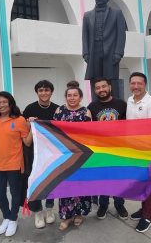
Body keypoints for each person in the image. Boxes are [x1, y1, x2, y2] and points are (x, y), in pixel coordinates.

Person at [87, 78, 129, 220]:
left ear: (109, 87)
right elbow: (86, 128)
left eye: (104, 86)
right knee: (103, 179)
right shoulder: (91, 107)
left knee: (118, 179)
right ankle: (103, 205)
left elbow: (131, 125)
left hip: (119, 149)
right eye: (98, 87)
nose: (101, 89)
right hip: (101, 150)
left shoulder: (122, 104)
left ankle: (119, 204)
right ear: (95, 90)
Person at [0, 91, 32, 237]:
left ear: (10, 103)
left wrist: (33, 127)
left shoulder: (20, 120)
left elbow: (27, 142)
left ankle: (13, 219)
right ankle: (6, 217)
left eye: (4, 102)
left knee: (15, 194)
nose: (1, 105)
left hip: (15, 164)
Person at [126, 72, 151, 233]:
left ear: (144, 84)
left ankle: (148, 214)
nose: (136, 86)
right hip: (134, 151)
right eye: (133, 83)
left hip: (148, 151)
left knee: (149, 183)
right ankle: (143, 208)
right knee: (140, 183)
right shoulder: (129, 100)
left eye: (139, 83)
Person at [53, 83, 92, 230]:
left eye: (75, 95)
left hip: (82, 154)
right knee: (65, 185)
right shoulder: (59, 111)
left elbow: (90, 135)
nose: (72, 98)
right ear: (65, 97)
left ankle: (80, 214)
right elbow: (54, 131)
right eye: (69, 95)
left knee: (81, 184)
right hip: (64, 155)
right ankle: (67, 216)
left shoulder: (86, 112)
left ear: (80, 97)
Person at [22, 80, 59, 229]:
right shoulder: (30, 109)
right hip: (34, 152)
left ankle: (49, 209)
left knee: (51, 179)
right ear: (37, 92)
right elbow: (24, 129)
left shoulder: (57, 109)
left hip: (52, 151)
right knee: (34, 180)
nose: (44, 93)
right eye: (41, 90)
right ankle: (37, 211)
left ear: (51, 92)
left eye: (47, 90)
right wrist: (29, 123)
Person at [82, 0, 126, 97]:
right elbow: (85, 36)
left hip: (111, 51)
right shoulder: (87, 16)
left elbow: (121, 34)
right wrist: (86, 53)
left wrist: (118, 53)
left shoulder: (117, 13)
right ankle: (96, 106)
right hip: (93, 52)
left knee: (111, 80)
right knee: (95, 80)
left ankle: (115, 105)